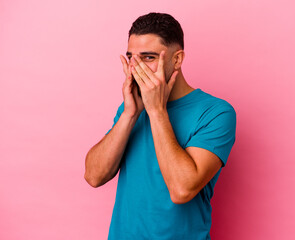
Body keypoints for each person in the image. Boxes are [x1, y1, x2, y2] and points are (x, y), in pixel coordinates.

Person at [84, 12, 236, 240]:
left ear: (177, 59)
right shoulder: (130, 109)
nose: (136, 69)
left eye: (148, 58)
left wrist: (156, 110)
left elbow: (182, 189)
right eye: (131, 58)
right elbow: (94, 176)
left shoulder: (216, 112)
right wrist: (130, 113)